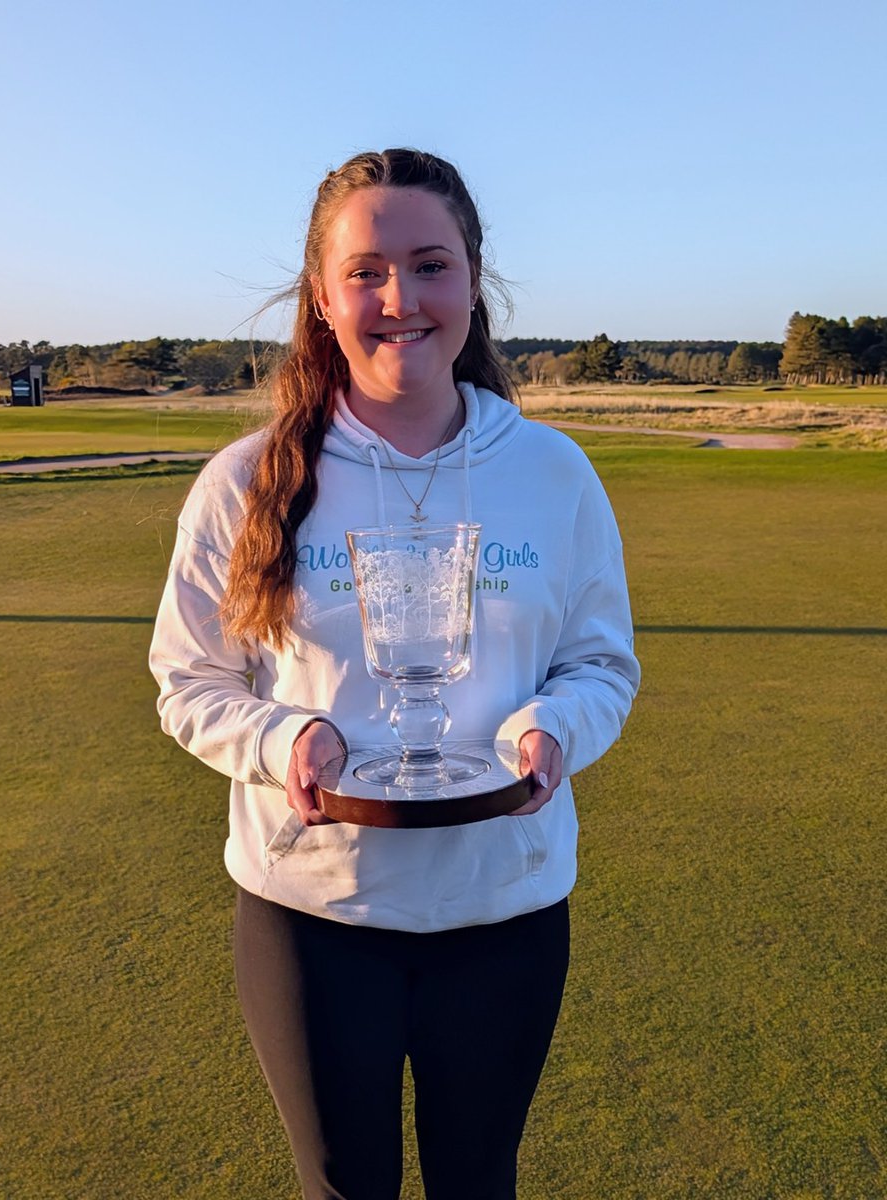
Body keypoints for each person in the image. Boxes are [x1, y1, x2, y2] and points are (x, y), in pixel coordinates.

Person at [149, 148, 640, 1200]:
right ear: (322, 297)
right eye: (366, 271)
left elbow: (602, 662)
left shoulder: (552, 471)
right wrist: (289, 739)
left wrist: (555, 726)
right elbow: (189, 682)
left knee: (479, 1183)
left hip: (503, 904)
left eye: (430, 266)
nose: (399, 300)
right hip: (315, 913)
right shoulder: (245, 481)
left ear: (473, 282)